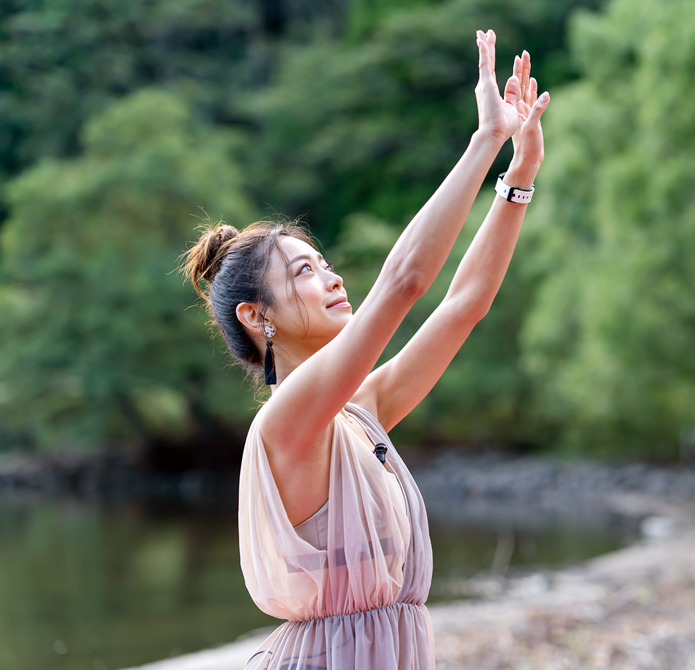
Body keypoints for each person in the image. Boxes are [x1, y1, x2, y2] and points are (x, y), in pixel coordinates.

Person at [179, 29, 549, 670]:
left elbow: (464, 306)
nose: (332, 278)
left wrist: (518, 177)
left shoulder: (361, 409)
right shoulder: (286, 425)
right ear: (255, 316)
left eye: (324, 263)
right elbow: (405, 282)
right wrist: (484, 139)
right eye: (302, 272)